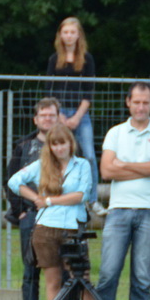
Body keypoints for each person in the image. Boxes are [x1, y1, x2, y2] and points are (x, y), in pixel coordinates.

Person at [90, 82, 150, 300]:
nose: (141, 107)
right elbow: (106, 171)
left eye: (145, 102)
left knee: (142, 277)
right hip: (118, 211)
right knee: (108, 273)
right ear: (128, 102)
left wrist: (124, 165)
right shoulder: (115, 132)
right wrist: (146, 165)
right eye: (136, 102)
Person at [6, 123, 95, 300]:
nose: (59, 148)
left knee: (82, 279)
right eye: (54, 144)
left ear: (70, 143)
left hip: (74, 228)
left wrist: (47, 200)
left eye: (62, 143)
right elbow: (14, 181)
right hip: (46, 229)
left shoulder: (82, 165)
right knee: (53, 281)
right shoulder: (41, 165)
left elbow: (81, 195)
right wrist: (34, 198)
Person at [3, 97, 60, 300]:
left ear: (58, 119)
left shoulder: (69, 144)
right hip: (31, 215)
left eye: (52, 116)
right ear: (36, 119)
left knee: (60, 270)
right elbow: (10, 180)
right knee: (30, 269)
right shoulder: (23, 147)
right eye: (44, 115)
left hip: (60, 215)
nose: (47, 119)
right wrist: (20, 212)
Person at [44, 16, 99, 199]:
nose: (68, 36)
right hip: (57, 115)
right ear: (60, 35)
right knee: (55, 155)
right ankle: (56, 193)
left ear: (79, 35)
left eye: (72, 32)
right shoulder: (54, 59)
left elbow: (89, 91)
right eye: (65, 32)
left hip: (80, 114)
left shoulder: (87, 59)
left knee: (89, 155)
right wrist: (58, 115)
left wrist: (76, 117)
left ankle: (92, 199)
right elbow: (49, 90)